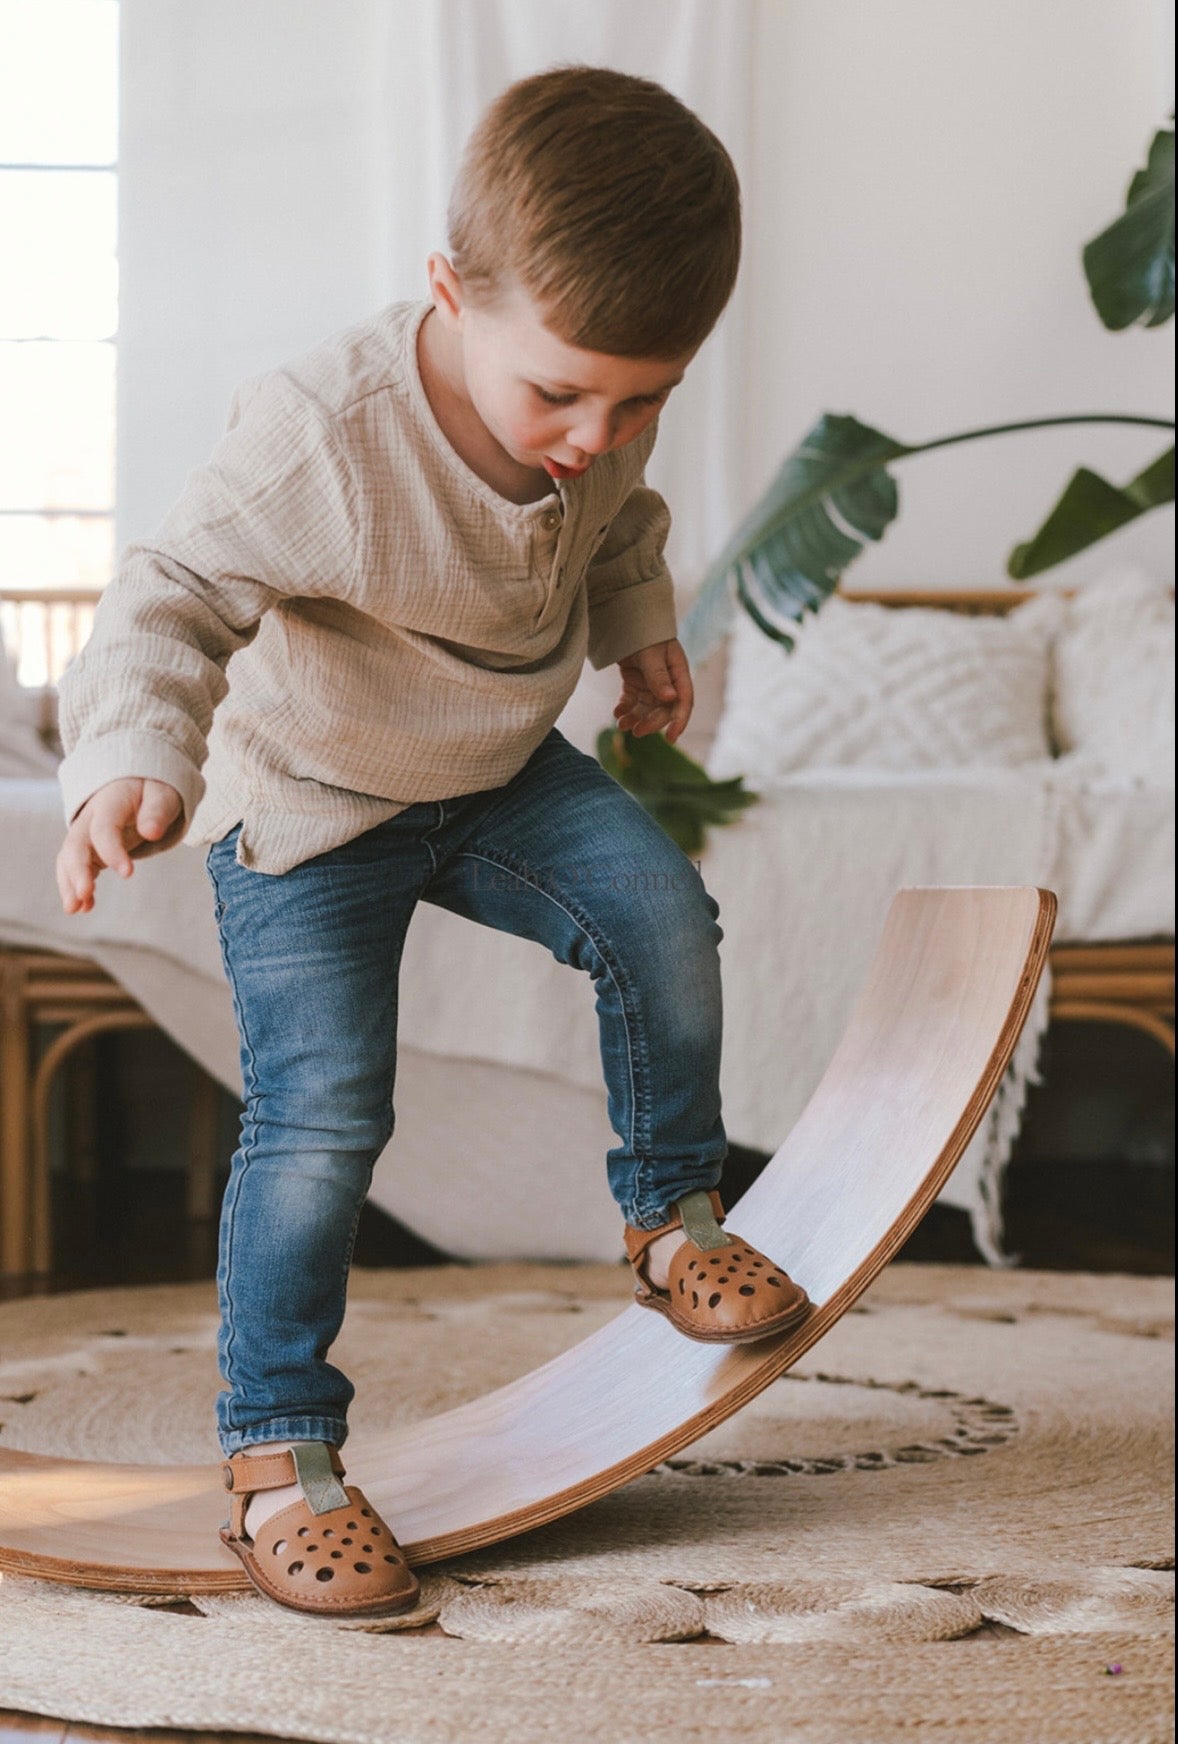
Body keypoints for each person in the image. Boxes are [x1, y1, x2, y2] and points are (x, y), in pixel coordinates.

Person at [53, 65, 810, 1619]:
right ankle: (277, 1457)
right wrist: (128, 762)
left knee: (660, 910)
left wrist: (636, 630)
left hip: (490, 768)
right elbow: (165, 599)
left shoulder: (595, 421)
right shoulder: (321, 436)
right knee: (323, 1115)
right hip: (315, 804)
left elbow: (624, 522)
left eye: (642, 397)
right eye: (561, 396)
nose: (594, 434)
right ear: (448, 295)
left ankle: (670, 1219)